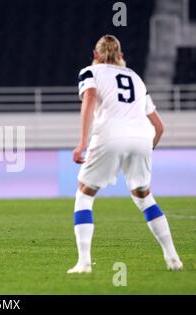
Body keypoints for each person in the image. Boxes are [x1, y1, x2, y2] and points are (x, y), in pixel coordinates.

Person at [68, 35, 183, 273]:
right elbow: (159, 127)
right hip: (142, 136)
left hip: (110, 134)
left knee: (84, 195)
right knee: (143, 196)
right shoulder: (136, 78)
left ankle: (84, 263)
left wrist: (82, 142)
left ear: (95, 54)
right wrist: (144, 147)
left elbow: (89, 98)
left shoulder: (90, 72)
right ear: (120, 55)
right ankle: (173, 259)